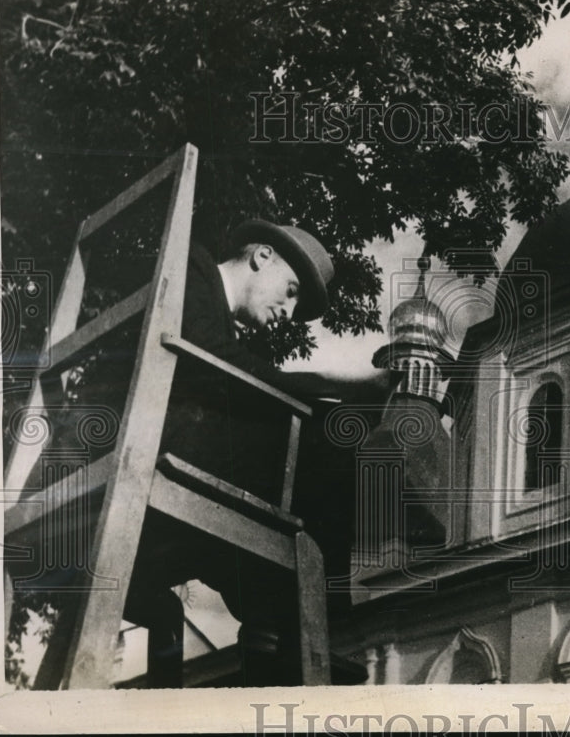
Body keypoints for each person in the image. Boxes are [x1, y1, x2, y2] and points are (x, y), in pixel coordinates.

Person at [127, 219, 387, 687]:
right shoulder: (191, 266)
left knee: (278, 542)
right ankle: (318, 624)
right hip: (155, 442)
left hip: (168, 439)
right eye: (290, 291)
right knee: (330, 436)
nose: (288, 311)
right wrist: (332, 384)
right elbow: (206, 364)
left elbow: (215, 363)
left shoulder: (209, 305)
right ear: (262, 256)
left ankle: (280, 632)